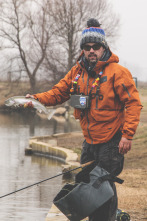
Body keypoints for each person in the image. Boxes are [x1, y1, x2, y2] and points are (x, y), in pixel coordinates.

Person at [26, 18, 142, 221]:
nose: (91, 51)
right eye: (87, 47)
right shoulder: (77, 72)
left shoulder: (118, 73)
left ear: (103, 46)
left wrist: (128, 135)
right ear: (83, 49)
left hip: (112, 139)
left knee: (103, 183)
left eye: (96, 46)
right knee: (87, 181)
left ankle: (108, 217)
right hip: (89, 141)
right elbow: (57, 93)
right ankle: (113, 216)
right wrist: (35, 99)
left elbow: (133, 104)